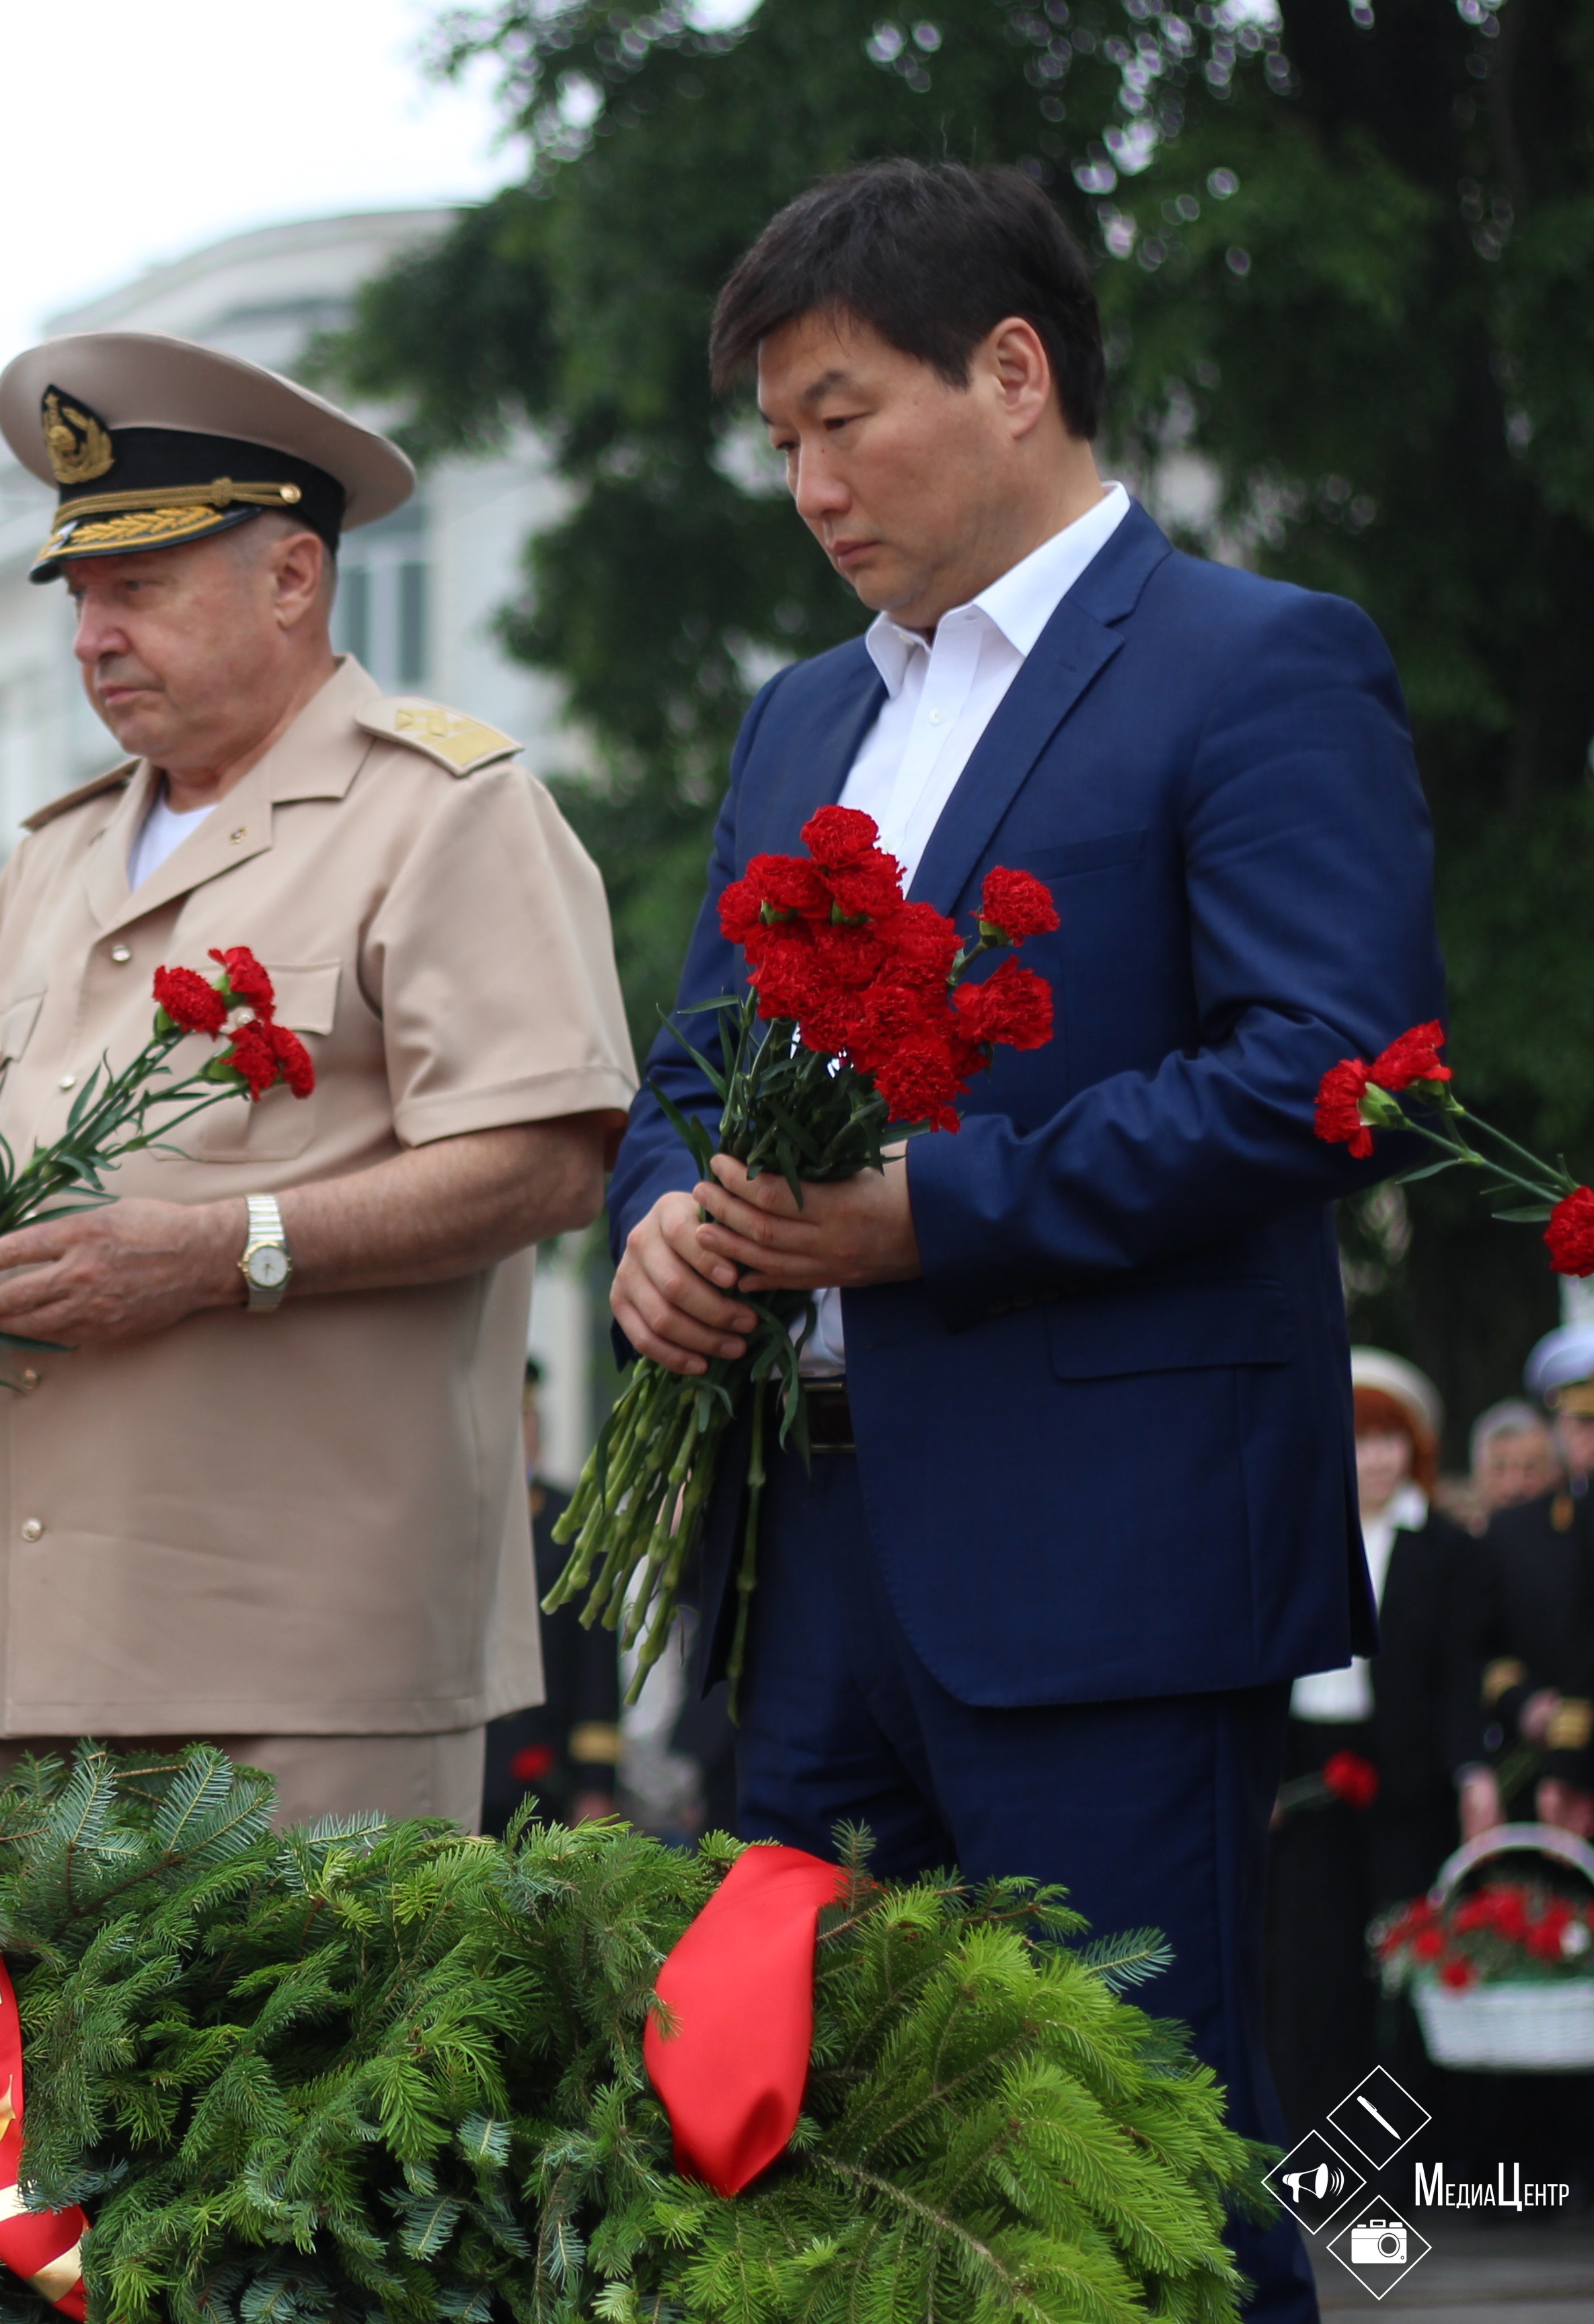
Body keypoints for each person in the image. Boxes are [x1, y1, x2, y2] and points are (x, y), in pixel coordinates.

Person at [604, 162, 1444, 2322]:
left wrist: (930, 1216)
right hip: (803, 1557)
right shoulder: (810, 715)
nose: (807, 483)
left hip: (1111, 1559)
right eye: (779, 440)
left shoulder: (1258, 663)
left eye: (840, 416)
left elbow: (1333, 1069)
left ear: (1012, 372)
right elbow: (698, 1052)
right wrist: (656, 1228)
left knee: (1129, 2150)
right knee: (803, 2140)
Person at [0, 334, 636, 1830]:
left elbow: (550, 1157)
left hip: (308, 1662)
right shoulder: (48, 859)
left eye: (136, 590)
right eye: (78, 598)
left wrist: (223, 1253)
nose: (92, 637)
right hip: (44, 1658)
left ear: (292, 580)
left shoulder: (447, 812)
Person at [1264, 1352, 1472, 2124]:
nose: (1374, 1457)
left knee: (1400, 1961)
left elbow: (1457, 1675)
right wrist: (1269, 1781)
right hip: (1307, 1778)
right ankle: (1312, 2138)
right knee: (1310, 1964)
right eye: (1357, 1439)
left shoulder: (1444, 1549)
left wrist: (1468, 1776)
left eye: (1388, 1438)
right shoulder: (1299, 1535)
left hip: (1404, 1781)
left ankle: (1405, 2149)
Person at [1464, 1325, 1594, 1838]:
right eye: (1581, 1421)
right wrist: (1526, 1703)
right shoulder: (1513, 1532)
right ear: (1557, 1428)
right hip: (1544, 1764)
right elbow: (1478, 1647)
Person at [480, 1360, 620, 1831]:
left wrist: (597, 1784)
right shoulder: (451, 1524)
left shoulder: (574, 1525)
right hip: (463, 1772)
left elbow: (596, 1667)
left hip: (545, 1777)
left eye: (526, 1417)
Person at [1464, 1397, 1557, 1524]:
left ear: (1554, 1475)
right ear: (1476, 1477)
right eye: (1499, 1468)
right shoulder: (1457, 1541)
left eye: (1530, 1469)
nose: (1514, 1487)